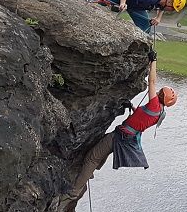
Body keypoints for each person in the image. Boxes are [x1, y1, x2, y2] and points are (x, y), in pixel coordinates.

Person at [69, 49, 177, 199]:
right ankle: (91, 171)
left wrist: (153, 61)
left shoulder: (154, 105)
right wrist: (132, 107)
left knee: (92, 158)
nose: (157, 92)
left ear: (160, 96)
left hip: (120, 137)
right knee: (102, 150)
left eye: (160, 93)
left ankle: (73, 192)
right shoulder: (159, 113)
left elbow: (151, 82)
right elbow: (141, 119)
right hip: (127, 139)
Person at [86, 0, 186, 33]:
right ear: (169, 1)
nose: (171, 10)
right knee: (91, 1)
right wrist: (122, 2)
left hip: (135, 4)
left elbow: (161, 7)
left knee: (145, 26)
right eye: (172, 8)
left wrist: (158, 18)